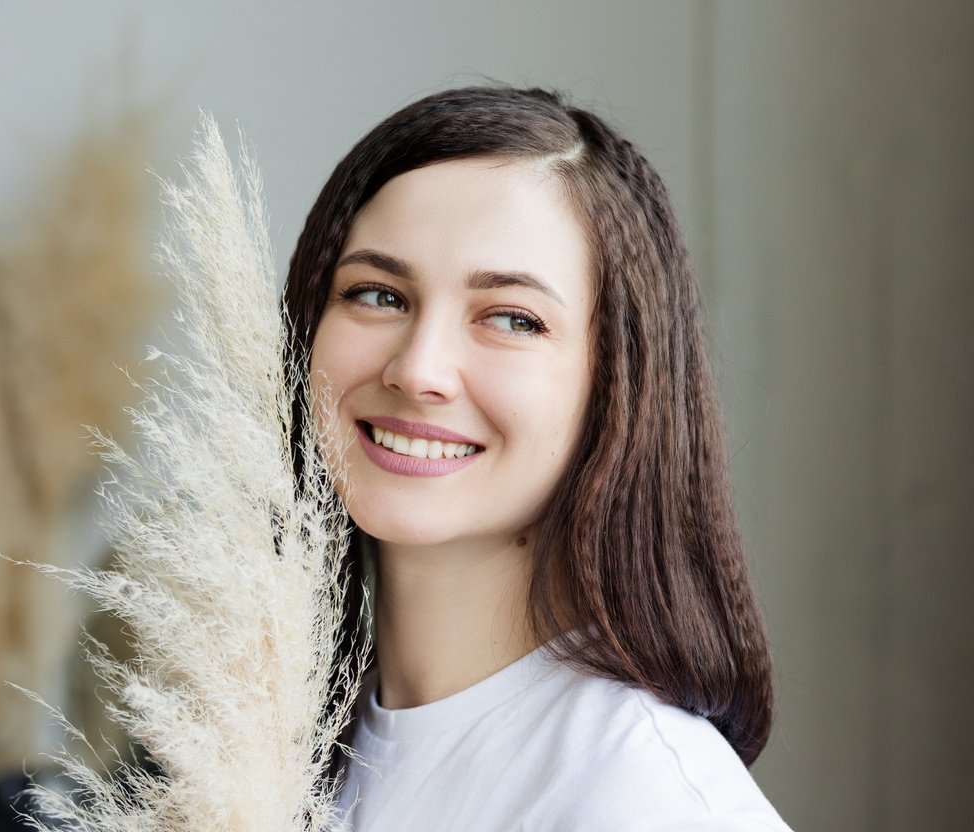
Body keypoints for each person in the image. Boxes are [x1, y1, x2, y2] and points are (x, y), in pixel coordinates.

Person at [283, 87, 793, 830]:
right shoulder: (274, 748)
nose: (418, 368)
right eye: (378, 295)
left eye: (512, 318)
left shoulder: (644, 797)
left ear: (617, 384)